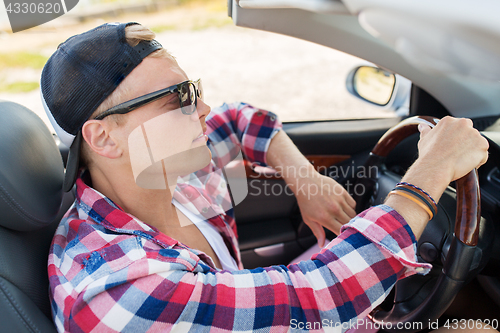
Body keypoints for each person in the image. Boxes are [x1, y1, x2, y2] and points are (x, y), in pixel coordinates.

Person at [43, 22, 489, 332]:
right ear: (104, 137)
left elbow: (239, 119)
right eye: (177, 98)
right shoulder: (117, 290)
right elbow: (319, 299)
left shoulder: (168, 169)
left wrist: (306, 182)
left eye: (193, 89)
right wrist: (431, 172)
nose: (203, 109)